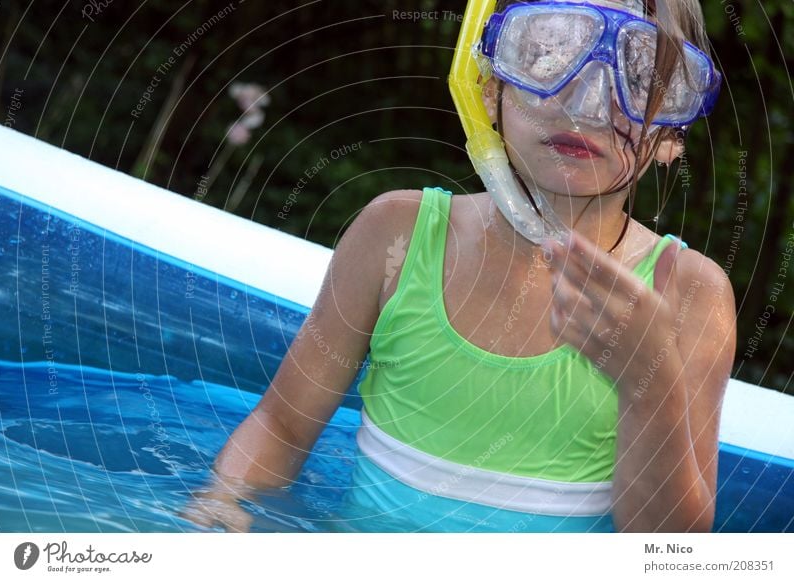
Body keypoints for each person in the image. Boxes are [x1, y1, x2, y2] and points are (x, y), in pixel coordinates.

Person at [184, 0, 736, 532]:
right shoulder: (396, 236)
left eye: (637, 78)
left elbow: (664, 544)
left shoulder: (687, 294)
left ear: (671, 135)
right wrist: (223, 501)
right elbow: (281, 426)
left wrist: (648, 381)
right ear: (488, 87)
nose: (587, 104)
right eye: (551, 53)